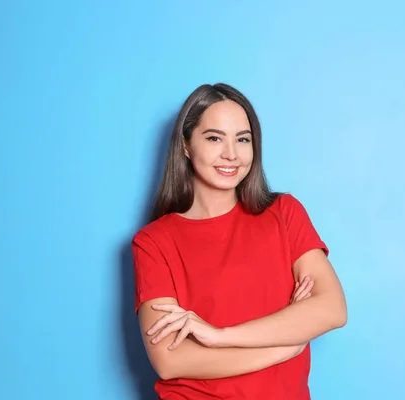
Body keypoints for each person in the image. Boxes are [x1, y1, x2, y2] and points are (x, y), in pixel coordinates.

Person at [131, 83, 347, 399]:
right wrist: (284, 347)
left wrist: (218, 336)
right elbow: (170, 360)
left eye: (242, 139)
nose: (231, 154)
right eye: (214, 138)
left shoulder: (284, 214)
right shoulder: (153, 242)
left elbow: (332, 309)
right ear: (186, 146)